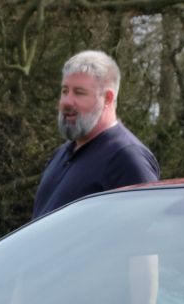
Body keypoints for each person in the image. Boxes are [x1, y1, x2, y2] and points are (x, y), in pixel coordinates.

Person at [30, 51, 160, 220]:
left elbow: (143, 235)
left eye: (79, 92)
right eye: (64, 91)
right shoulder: (62, 154)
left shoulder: (126, 158)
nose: (67, 101)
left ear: (107, 98)